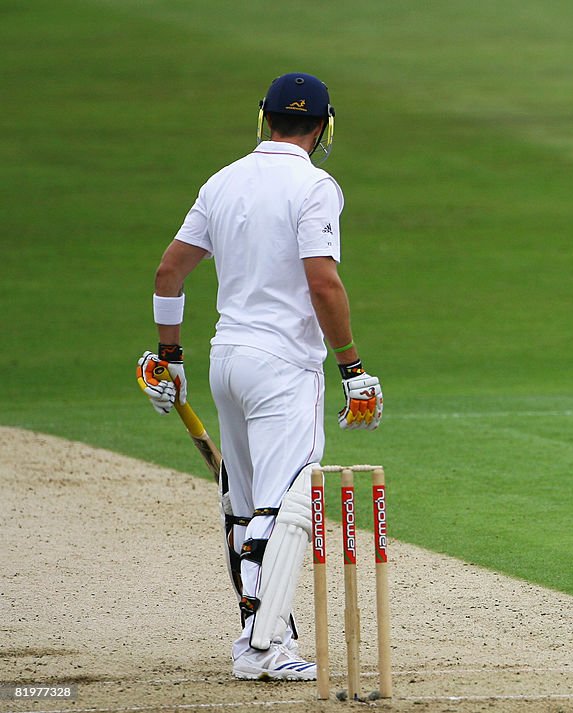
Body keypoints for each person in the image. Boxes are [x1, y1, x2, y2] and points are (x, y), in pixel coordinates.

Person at [136, 72, 383, 679]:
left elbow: (169, 273)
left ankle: (257, 640)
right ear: (324, 127)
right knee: (287, 505)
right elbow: (323, 283)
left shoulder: (222, 181)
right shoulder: (315, 185)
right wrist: (352, 367)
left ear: (264, 118)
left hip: (227, 361)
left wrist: (170, 356)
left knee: (247, 511)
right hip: (284, 367)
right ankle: (267, 647)